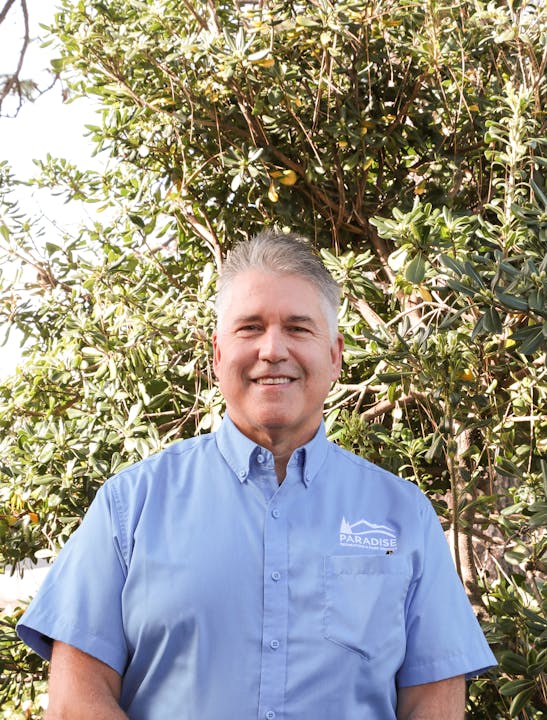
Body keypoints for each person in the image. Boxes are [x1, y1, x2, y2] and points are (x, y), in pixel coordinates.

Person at [17, 231, 496, 719]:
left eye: (298, 328)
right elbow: (77, 699)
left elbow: (433, 703)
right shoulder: (130, 506)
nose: (272, 349)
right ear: (218, 354)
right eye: (249, 327)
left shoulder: (403, 515)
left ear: (334, 356)